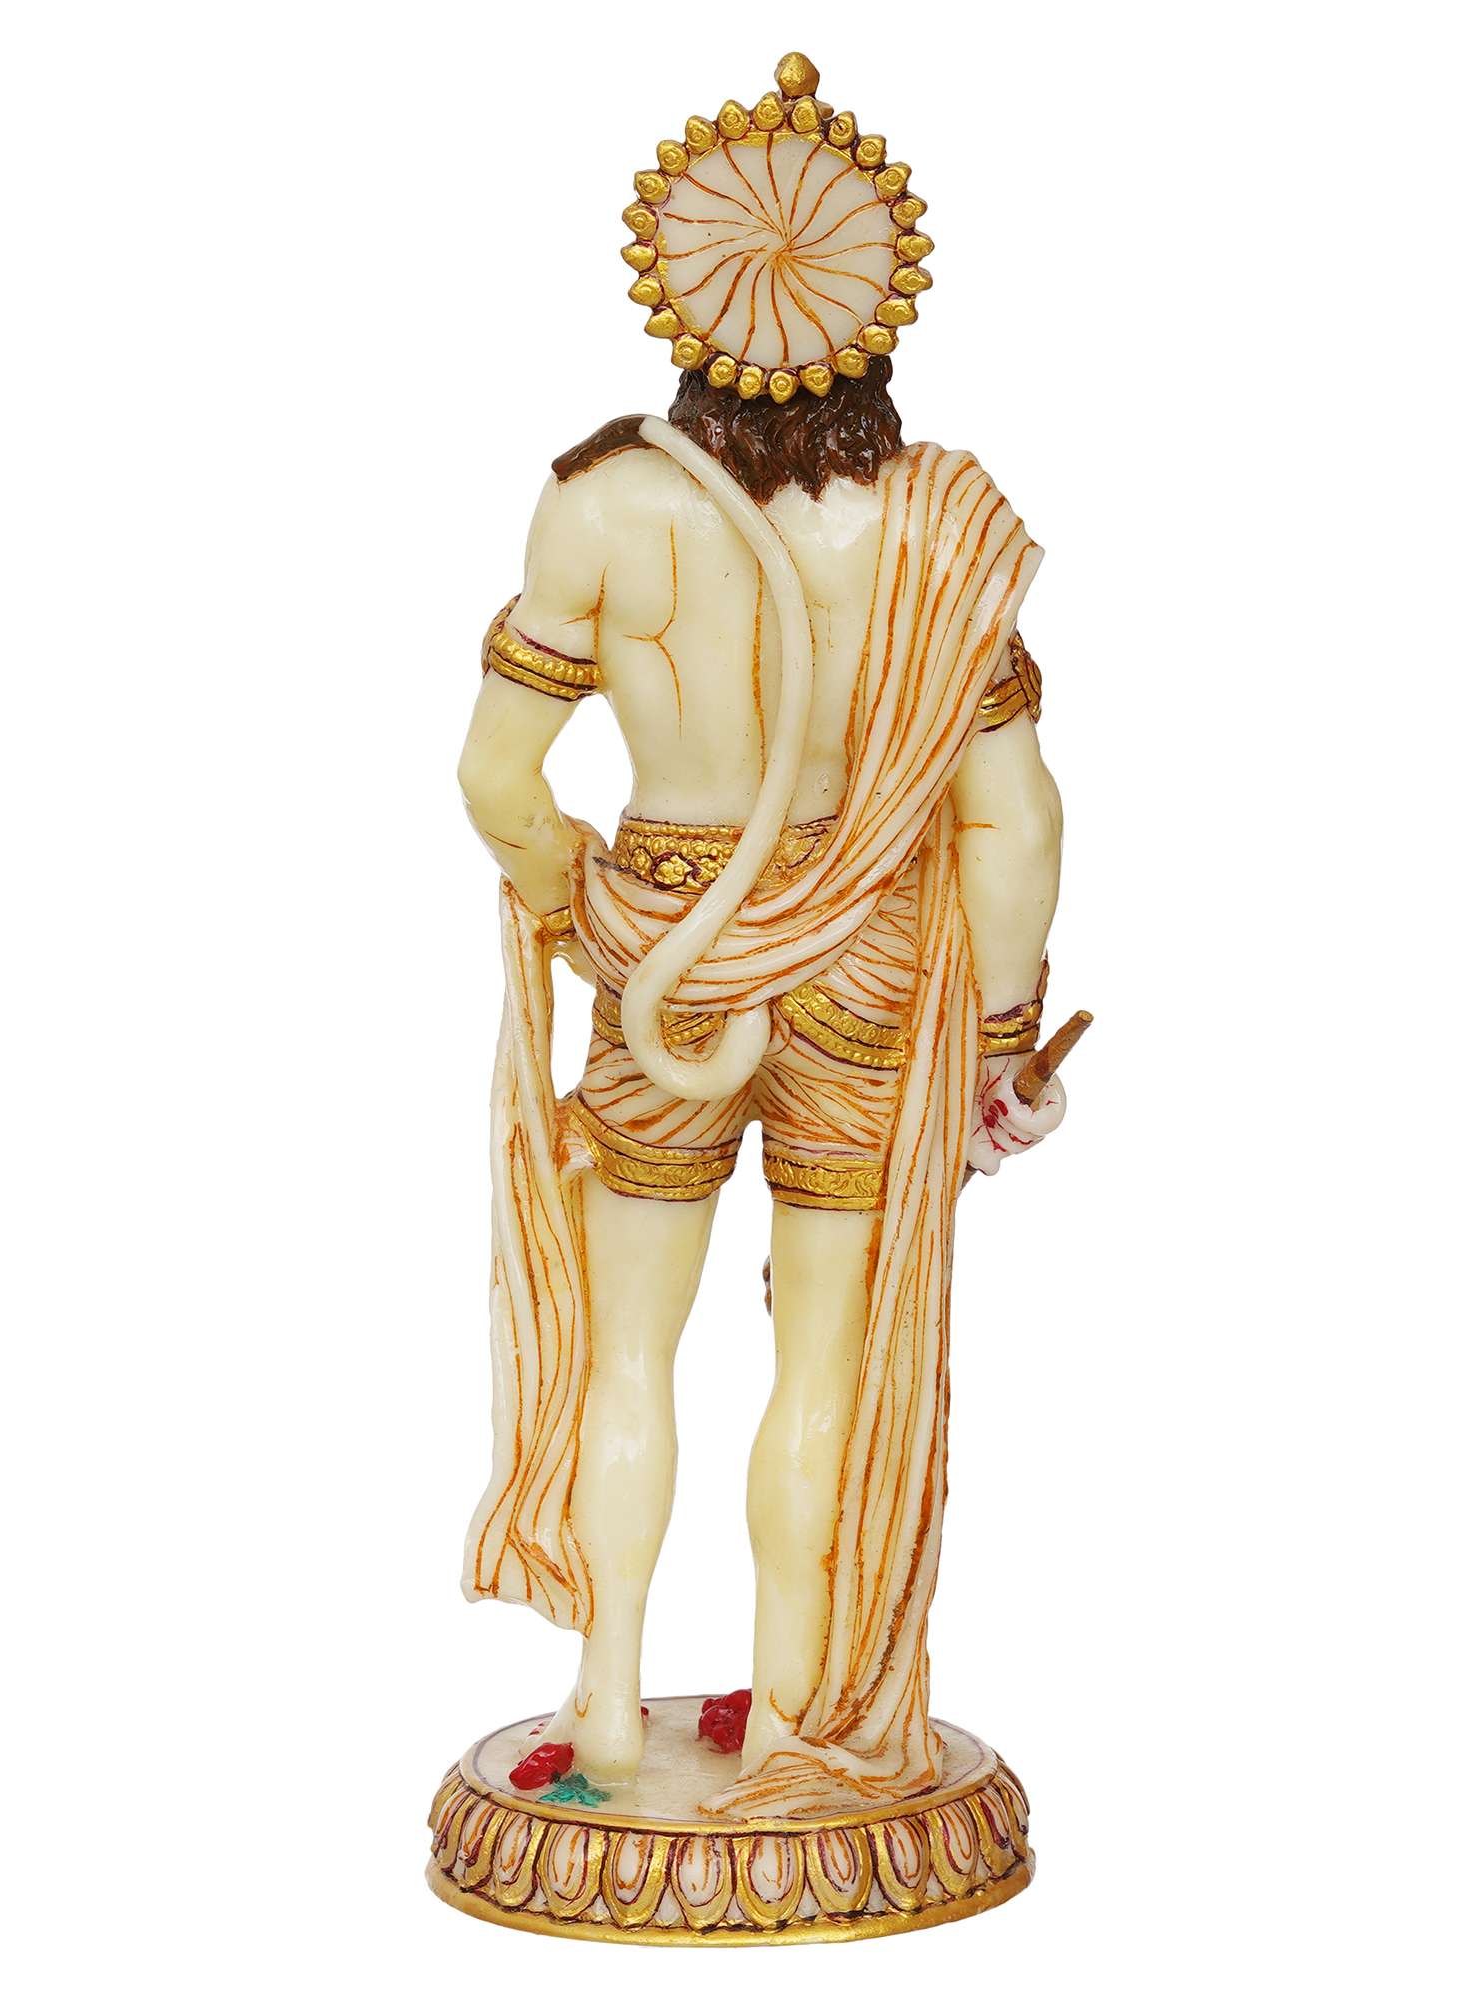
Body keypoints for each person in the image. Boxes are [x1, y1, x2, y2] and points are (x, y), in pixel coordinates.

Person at [456, 52, 1070, 1819]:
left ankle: (604, 1709)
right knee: (828, 1360)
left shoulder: (600, 504)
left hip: (669, 953)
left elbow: (498, 778)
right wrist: (1004, 1039)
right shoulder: (937, 526)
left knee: (627, 1347)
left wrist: (589, 917)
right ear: (878, 311)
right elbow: (1015, 820)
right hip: (868, 967)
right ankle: (804, 1716)